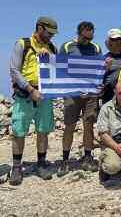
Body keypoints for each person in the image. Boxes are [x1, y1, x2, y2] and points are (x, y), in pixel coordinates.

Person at [8, 16, 58, 185]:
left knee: (43, 130)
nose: (51, 36)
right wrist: (30, 89)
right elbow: (14, 70)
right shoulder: (23, 44)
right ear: (39, 28)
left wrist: (49, 56)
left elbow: (57, 70)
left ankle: (41, 163)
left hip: (45, 96)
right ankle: (16, 167)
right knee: (19, 131)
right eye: (49, 32)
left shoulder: (52, 47)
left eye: (53, 33)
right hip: (24, 95)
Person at [57, 21, 103, 177]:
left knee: (88, 124)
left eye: (89, 38)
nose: (87, 42)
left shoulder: (95, 48)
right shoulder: (67, 47)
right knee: (69, 125)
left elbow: (98, 70)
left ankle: (88, 156)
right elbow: (58, 68)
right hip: (72, 93)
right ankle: (65, 159)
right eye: (84, 38)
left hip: (90, 94)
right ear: (79, 33)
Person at [102, 28, 121, 104]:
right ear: (109, 42)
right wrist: (105, 69)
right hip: (108, 99)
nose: (118, 41)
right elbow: (98, 81)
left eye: (120, 39)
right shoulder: (104, 59)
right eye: (114, 39)